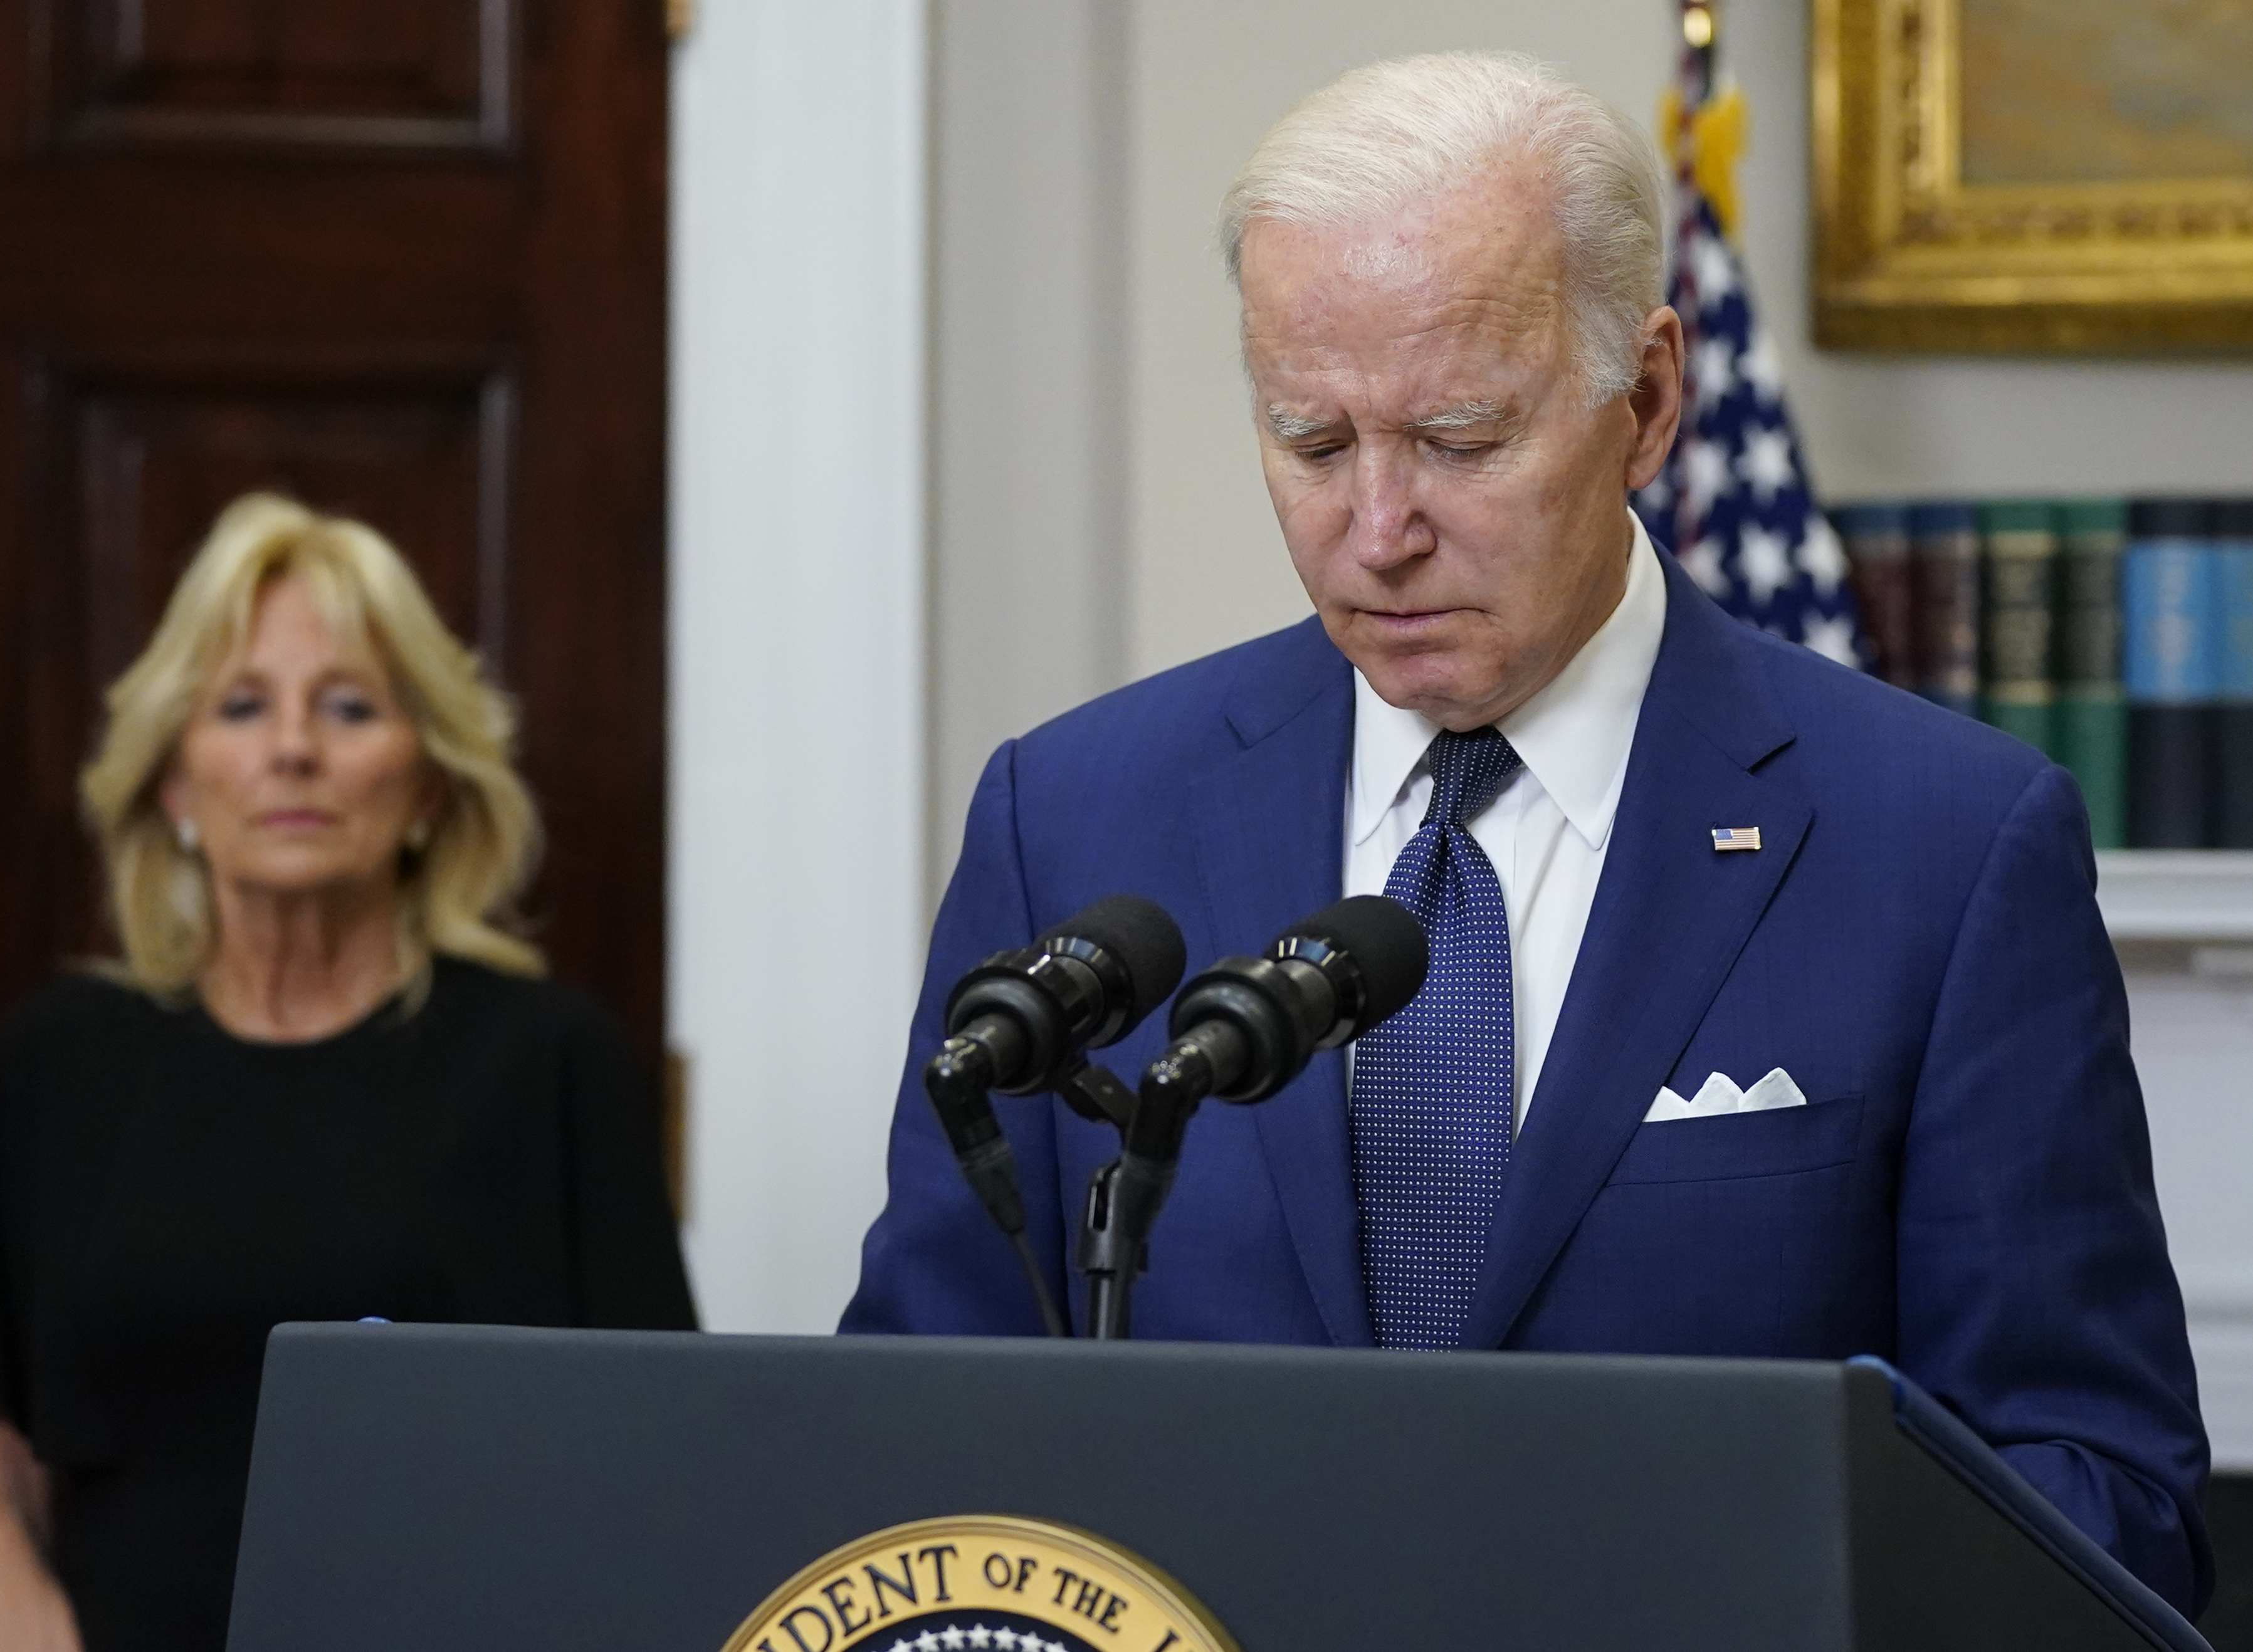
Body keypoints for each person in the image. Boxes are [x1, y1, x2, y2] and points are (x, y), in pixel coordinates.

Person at [843, 51, 2210, 1615]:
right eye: (1311, 441)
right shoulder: (1073, 813)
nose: (1378, 530)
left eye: (1461, 440)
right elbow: (913, 1446)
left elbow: (2098, 1495)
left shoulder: (1947, 847)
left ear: (1648, 402)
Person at [0, 493, 695, 1651]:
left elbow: (642, 1466)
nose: (294, 747)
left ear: (426, 784)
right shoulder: (58, 1063)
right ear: (173, 782)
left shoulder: (549, 1063)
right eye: (243, 705)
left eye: (351, 706)